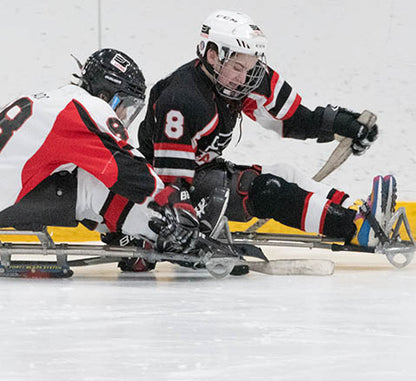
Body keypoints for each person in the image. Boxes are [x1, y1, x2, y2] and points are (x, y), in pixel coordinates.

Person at [138, 9, 396, 248]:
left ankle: (359, 211)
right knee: (267, 191)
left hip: (204, 171)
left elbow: (295, 118)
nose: (244, 78)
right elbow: (171, 181)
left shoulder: (240, 79)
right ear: (212, 55)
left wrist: (342, 125)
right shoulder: (180, 99)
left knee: (286, 172)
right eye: (238, 68)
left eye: (249, 68)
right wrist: (185, 232)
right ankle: (355, 228)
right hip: (163, 189)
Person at [0, 48, 199, 260]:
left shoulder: (55, 99)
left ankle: (132, 229)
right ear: (106, 94)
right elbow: (123, 166)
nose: (125, 114)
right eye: (124, 104)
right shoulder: (88, 107)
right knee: (95, 184)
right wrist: (169, 199)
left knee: (88, 172)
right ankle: (160, 233)